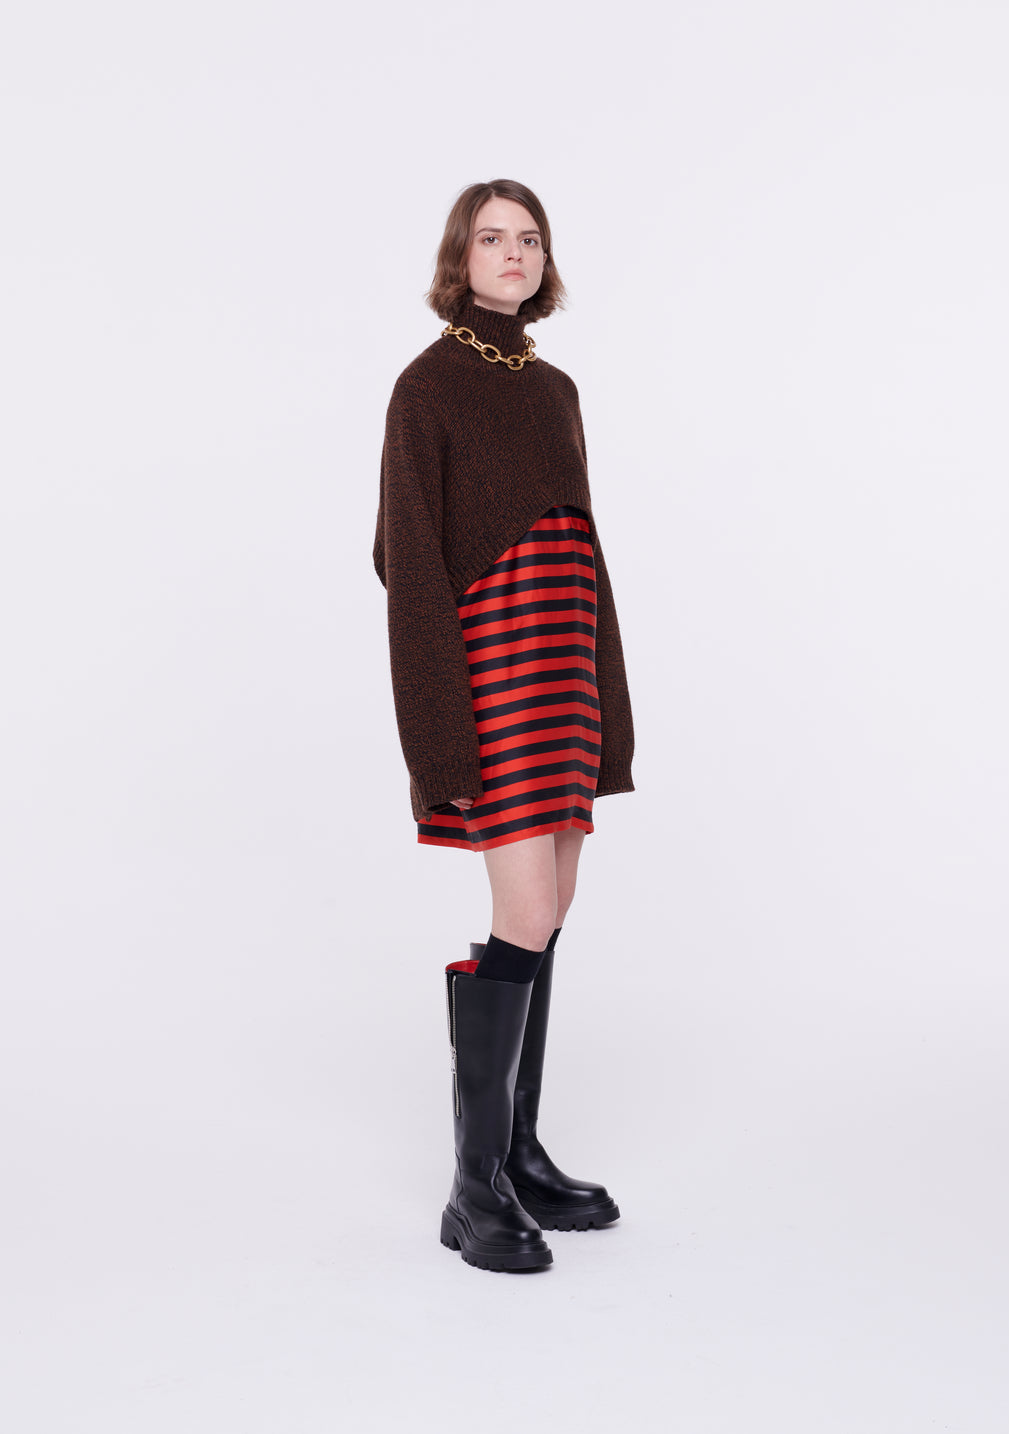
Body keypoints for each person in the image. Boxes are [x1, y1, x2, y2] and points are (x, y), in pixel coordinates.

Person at [373, 179, 635, 1273]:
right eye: (492, 238)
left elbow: (583, 548)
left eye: (529, 238)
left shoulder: (558, 389)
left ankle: (515, 1155)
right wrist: (438, 728)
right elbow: (405, 560)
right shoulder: (427, 386)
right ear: (461, 258)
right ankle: (471, 1187)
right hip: (495, 673)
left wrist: (609, 698)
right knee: (522, 907)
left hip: (565, 669)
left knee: (552, 906)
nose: (514, 253)